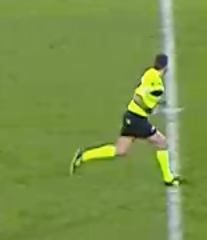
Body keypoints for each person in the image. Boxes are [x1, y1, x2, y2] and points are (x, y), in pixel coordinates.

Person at [71, 54, 184, 187]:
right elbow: (138, 97)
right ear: (166, 67)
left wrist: (155, 105)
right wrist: (148, 109)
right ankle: (168, 178)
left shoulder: (150, 73)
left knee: (120, 150)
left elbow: (145, 94)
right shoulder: (156, 82)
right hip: (137, 119)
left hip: (131, 116)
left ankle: (83, 156)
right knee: (161, 142)